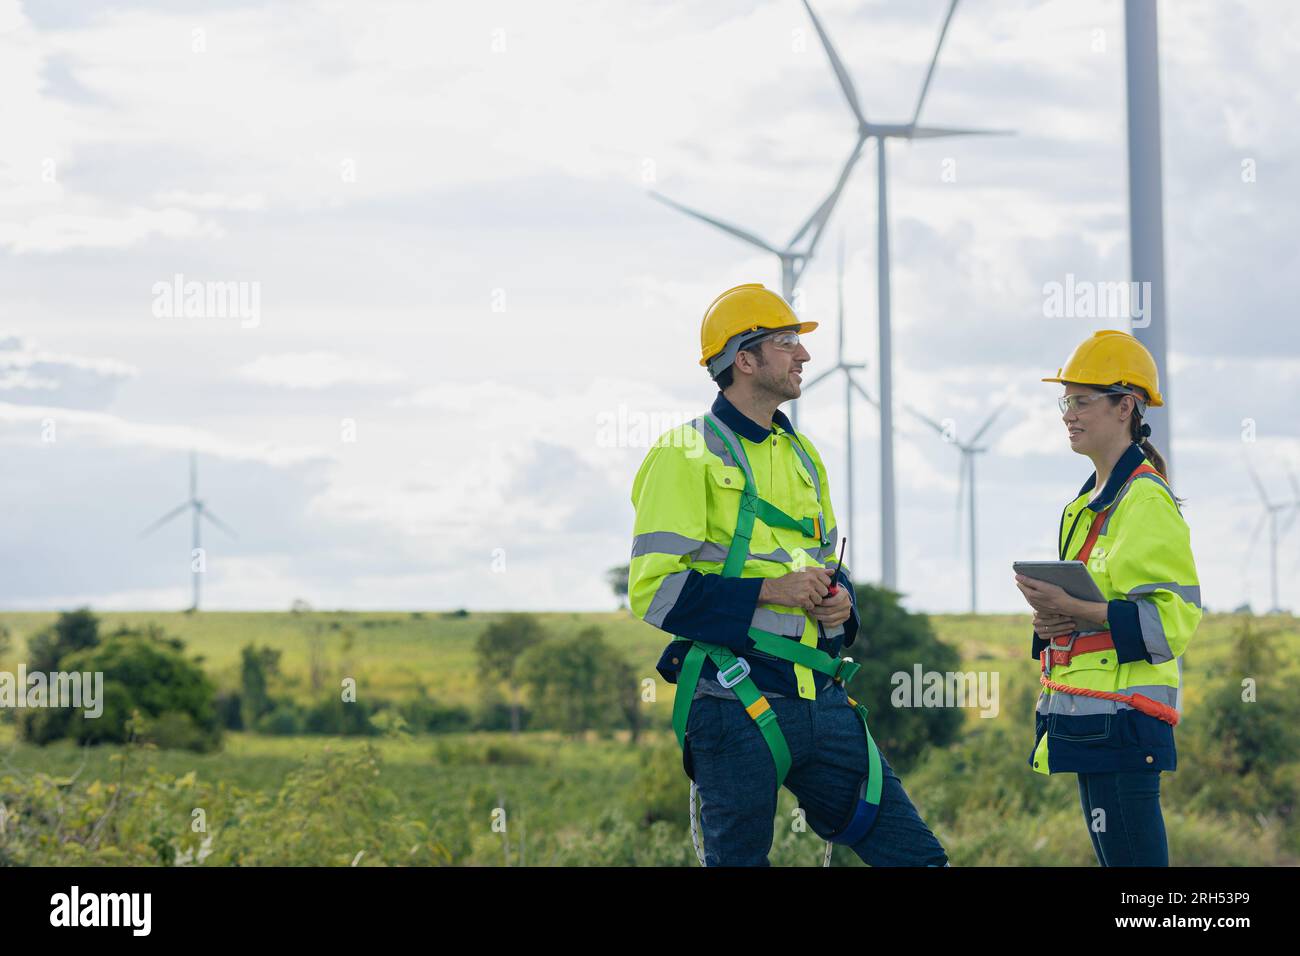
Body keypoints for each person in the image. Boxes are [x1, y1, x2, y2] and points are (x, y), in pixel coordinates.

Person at [628, 283, 947, 867]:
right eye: (785, 344)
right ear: (744, 360)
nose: (803, 357)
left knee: (918, 858)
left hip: (818, 696)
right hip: (732, 700)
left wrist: (841, 601)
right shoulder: (684, 453)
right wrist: (770, 590)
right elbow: (654, 592)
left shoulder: (803, 455)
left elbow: (828, 563)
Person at [1015, 329, 1201, 867]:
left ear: (1126, 406)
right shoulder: (1085, 502)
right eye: (1065, 401)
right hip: (1090, 723)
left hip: (1126, 723)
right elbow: (1099, 605)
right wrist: (1050, 620)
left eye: (1082, 401)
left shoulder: (1144, 499)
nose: (1068, 414)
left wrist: (1073, 609)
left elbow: (1171, 622)